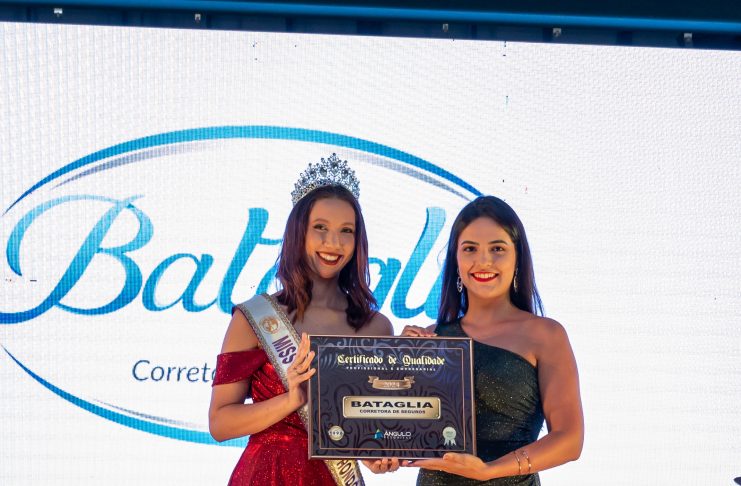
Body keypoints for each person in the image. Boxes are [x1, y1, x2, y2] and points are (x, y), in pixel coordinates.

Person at [209, 154, 398, 485]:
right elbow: (220, 423)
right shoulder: (255, 318)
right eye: (320, 228)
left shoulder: (376, 328)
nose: (333, 243)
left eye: (346, 231)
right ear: (299, 232)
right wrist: (291, 400)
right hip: (267, 475)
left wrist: (377, 455)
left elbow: (372, 428)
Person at [402, 196, 584, 485]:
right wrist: (398, 360)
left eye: (497, 248)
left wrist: (489, 470)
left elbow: (570, 439)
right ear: (456, 260)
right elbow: (399, 432)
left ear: (517, 258)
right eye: (470, 249)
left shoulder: (546, 335)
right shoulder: (431, 337)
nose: (483, 261)